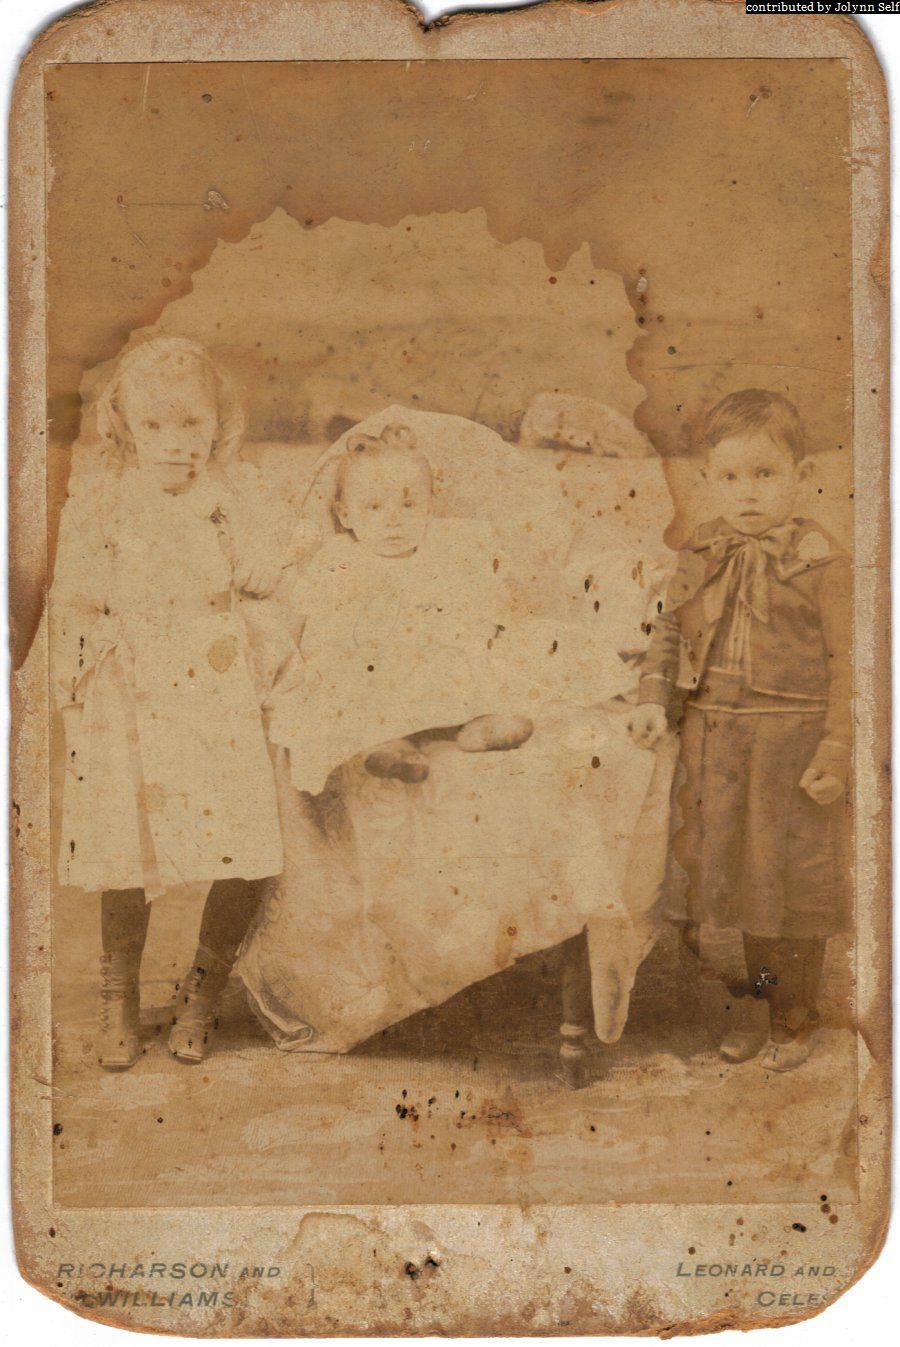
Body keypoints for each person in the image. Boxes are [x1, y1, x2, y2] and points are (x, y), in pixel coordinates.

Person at [51, 336, 287, 1069]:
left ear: (218, 424)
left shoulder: (234, 495)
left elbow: (273, 569)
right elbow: (75, 601)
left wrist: (259, 557)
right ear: (125, 425)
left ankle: (203, 989)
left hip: (217, 688)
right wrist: (81, 694)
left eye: (191, 424)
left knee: (246, 842)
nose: (174, 442)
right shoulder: (105, 500)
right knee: (129, 847)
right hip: (133, 692)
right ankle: (118, 995)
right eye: (154, 425)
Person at [628, 389, 851, 1071]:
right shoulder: (701, 550)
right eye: (730, 476)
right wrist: (652, 696)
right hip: (717, 741)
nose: (747, 491)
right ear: (707, 478)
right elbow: (668, 633)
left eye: (765, 473)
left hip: (790, 745)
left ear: (800, 474)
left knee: (792, 884)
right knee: (727, 884)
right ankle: (750, 1011)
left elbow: (852, 665)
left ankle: (794, 1018)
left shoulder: (821, 561)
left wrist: (836, 747)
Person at [269, 424, 537, 795]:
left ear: (430, 505)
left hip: (433, 654)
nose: (393, 518)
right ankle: (391, 746)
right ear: (344, 514)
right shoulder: (339, 557)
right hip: (368, 661)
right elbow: (308, 615)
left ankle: (478, 723)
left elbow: (484, 600)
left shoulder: (448, 547)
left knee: (474, 665)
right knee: (353, 690)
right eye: (374, 507)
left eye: (408, 505)